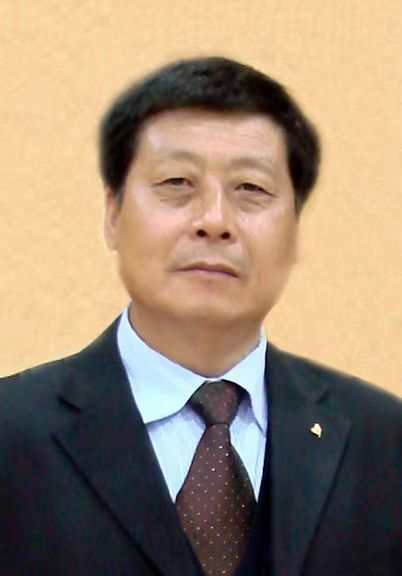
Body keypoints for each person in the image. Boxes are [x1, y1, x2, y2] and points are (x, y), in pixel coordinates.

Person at [0, 56, 400, 576]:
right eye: (177, 182)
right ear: (113, 214)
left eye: (251, 189)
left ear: (294, 229)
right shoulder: (11, 433)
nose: (214, 221)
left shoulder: (382, 442)